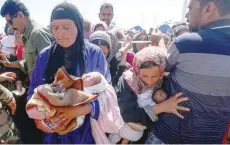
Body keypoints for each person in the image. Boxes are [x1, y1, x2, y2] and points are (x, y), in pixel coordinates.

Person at [27, 2, 110, 144]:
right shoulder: (45, 56)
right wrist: (40, 119)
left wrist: (76, 112)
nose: (60, 33)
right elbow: (33, 90)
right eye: (55, 28)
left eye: (66, 27)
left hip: (85, 132)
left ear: (78, 26)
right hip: (53, 133)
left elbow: (107, 94)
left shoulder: (94, 53)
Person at [149, 0, 230, 143]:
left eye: (191, 8)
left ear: (209, 8)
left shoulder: (185, 43)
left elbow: (161, 67)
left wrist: (157, 43)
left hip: (170, 135)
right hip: (213, 138)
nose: (187, 15)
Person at [117, 47, 190, 144]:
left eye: (155, 76)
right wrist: (161, 108)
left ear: (162, 72)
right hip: (129, 135)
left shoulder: (165, 81)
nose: (150, 82)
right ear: (137, 70)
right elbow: (128, 116)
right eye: (144, 76)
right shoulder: (128, 81)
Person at [1, 0, 53, 75]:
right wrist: (9, 64)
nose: (11, 27)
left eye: (10, 22)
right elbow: (29, 62)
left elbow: (50, 67)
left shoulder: (37, 34)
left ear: (20, 15)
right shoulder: (28, 35)